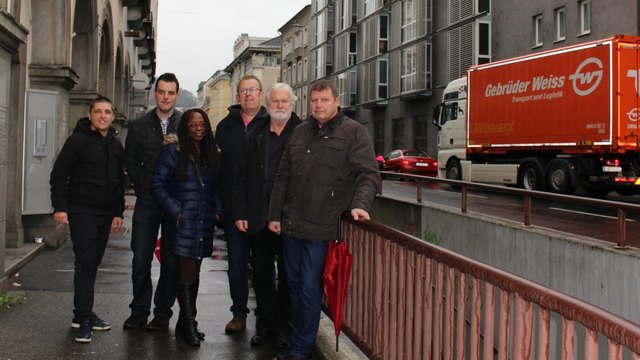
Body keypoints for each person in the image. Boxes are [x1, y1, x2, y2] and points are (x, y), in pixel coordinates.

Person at [267, 80, 380, 360]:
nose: (318, 105)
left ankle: (300, 350)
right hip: (292, 225)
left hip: (322, 228)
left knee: (308, 289)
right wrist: (274, 215)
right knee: (292, 285)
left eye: (324, 100)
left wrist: (360, 204)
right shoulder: (301, 131)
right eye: (314, 100)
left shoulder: (353, 132)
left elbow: (368, 174)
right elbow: (283, 176)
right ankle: (300, 339)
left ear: (336, 101)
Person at [50, 96, 125, 343]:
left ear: (112, 116)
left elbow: (118, 181)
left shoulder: (115, 145)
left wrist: (118, 211)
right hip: (82, 211)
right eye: (98, 112)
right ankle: (83, 317)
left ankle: (82, 313)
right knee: (85, 263)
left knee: (93, 263)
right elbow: (59, 174)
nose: (103, 116)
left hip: (105, 213)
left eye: (107, 112)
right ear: (90, 115)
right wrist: (60, 207)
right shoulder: (77, 141)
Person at [232, 83, 301, 348]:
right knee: (261, 276)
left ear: (292, 103)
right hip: (259, 216)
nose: (280, 105)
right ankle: (266, 326)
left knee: (287, 276)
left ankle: (281, 327)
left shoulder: (303, 132)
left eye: (285, 101)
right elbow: (241, 175)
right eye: (275, 101)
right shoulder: (256, 134)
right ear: (268, 103)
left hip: (289, 219)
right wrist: (239, 211)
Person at [151, 109, 222, 347]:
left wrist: (217, 210)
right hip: (182, 223)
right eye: (192, 125)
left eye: (202, 124)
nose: (198, 128)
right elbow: (158, 184)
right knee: (186, 271)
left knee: (194, 272)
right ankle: (189, 324)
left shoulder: (213, 152)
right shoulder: (173, 151)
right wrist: (176, 211)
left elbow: (216, 187)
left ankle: (185, 323)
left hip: (203, 222)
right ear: (185, 127)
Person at [123, 73, 182, 330]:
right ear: (155, 93)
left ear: (177, 95)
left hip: (174, 203)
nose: (166, 97)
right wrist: (142, 184)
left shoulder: (186, 123)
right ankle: (139, 310)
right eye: (162, 92)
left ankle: (162, 313)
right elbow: (130, 160)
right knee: (140, 258)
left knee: (171, 260)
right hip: (147, 201)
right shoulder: (138, 126)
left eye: (171, 93)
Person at [215, 74, 270, 333]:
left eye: (253, 89)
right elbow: (215, 168)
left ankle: (265, 313)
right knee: (236, 263)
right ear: (238, 96)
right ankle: (239, 313)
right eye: (243, 90)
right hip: (232, 208)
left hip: (264, 209)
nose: (248, 94)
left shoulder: (272, 124)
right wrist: (218, 204)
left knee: (263, 265)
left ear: (261, 94)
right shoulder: (225, 126)